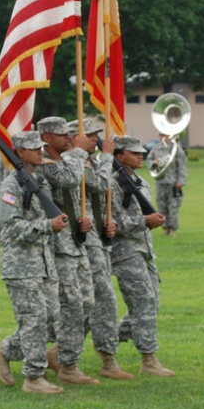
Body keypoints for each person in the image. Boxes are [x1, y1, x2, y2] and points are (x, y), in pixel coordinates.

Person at [0, 130, 68, 394]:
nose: (40, 152)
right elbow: (9, 229)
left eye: (41, 147)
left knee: (50, 318)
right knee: (33, 320)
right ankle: (33, 378)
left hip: (42, 263)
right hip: (20, 265)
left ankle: (3, 351)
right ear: (19, 152)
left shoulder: (39, 181)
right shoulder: (10, 186)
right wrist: (47, 225)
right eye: (34, 149)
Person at [36, 116, 98, 385]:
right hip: (58, 248)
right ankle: (67, 365)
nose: (69, 138)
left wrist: (84, 220)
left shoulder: (63, 160)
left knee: (86, 304)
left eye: (69, 134)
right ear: (47, 138)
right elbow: (71, 180)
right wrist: (80, 151)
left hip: (75, 242)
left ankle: (60, 354)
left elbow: (74, 199)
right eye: (62, 135)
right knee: (70, 306)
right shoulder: (46, 165)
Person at [72, 118, 133, 380]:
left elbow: (100, 197)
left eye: (97, 135)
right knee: (99, 298)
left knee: (91, 300)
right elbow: (100, 185)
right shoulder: (76, 162)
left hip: (97, 235)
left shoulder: (91, 162)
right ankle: (107, 359)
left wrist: (109, 223)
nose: (97, 140)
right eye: (92, 135)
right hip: (80, 238)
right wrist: (108, 157)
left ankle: (64, 353)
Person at [111, 135, 174, 377]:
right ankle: (148, 359)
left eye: (141, 152)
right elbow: (111, 222)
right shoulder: (111, 184)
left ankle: (109, 338)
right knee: (143, 302)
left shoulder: (141, 182)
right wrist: (144, 221)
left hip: (145, 250)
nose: (141, 156)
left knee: (152, 303)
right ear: (119, 156)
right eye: (134, 152)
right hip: (125, 252)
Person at [146, 133, 188, 235]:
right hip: (160, 181)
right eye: (160, 135)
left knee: (173, 206)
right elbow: (149, 159)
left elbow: (182, 165)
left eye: (165, 135)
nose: (162, 137)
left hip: (173, 182)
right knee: (161, 205)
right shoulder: (156, 148)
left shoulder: (176, 148)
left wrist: (181, 181)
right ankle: (165, 228)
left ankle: (173, 229)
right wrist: (154, 163)